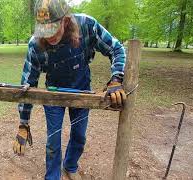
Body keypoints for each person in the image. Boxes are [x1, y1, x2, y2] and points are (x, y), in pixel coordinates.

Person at [12, 0, 127, 179]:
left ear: (66, 21)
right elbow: (28, 83)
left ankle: (70, 166)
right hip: (53, 94)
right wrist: (23, 123)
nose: (48, 36)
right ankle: (52, 176)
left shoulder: (87, 25)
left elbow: (117, 49)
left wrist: (116, 78)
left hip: (82, 89)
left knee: (80, 136)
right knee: (53, 140)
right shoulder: (35, 45)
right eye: (44, 30)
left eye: (52, 29)